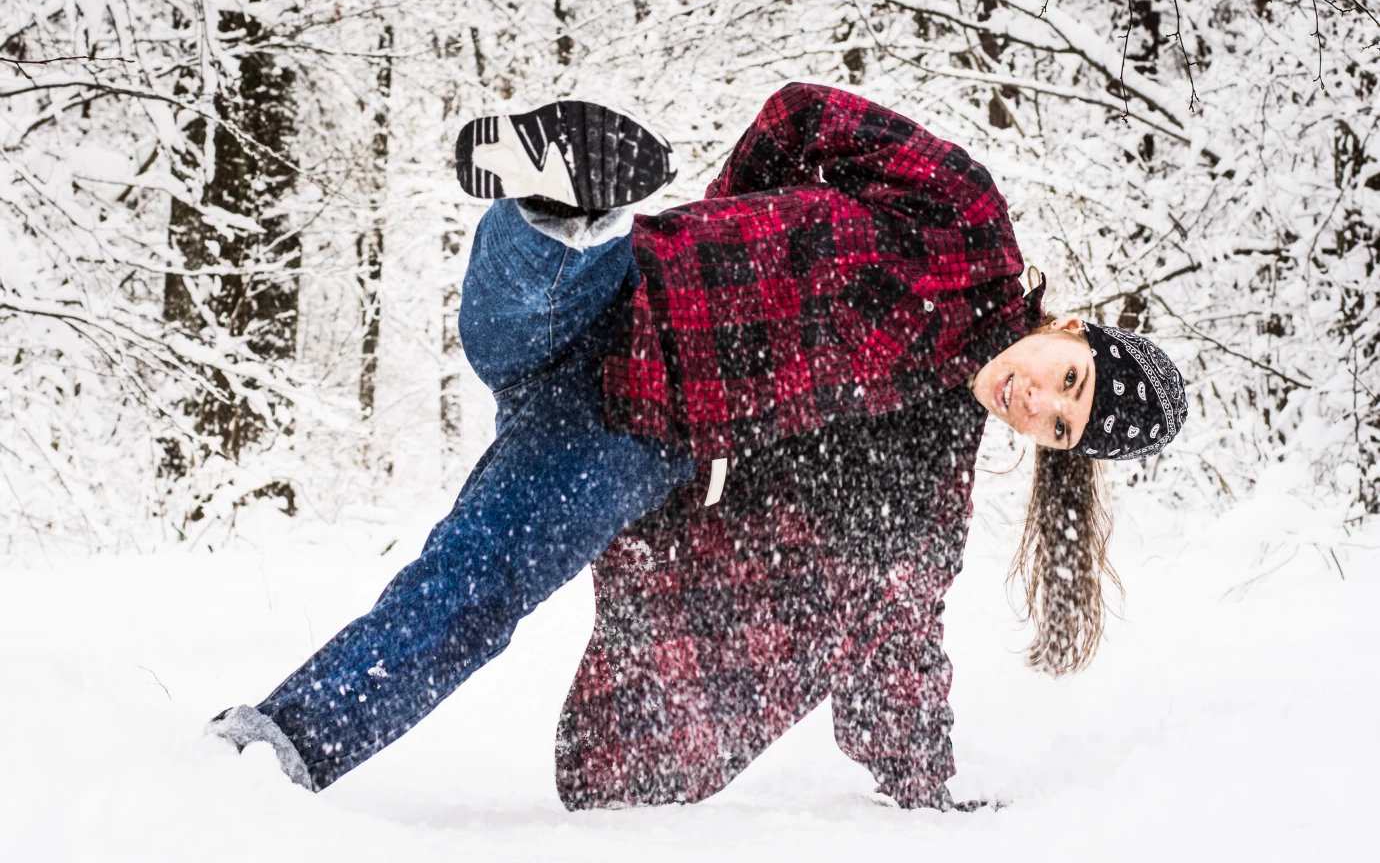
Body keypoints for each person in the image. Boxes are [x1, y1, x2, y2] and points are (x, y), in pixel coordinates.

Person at [207, 84, 1188, 810]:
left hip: (625, 436)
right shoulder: (962, 216)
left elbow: (898, 611)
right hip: (632, 291)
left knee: (476, 586)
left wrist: (924, 785)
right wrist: (720, 218)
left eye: (1060, 424)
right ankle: (568, 207)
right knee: (516, 312)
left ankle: (274, 747)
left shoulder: (928, 441)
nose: (1038, 401)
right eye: (1069, 379)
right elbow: (804, 115)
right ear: (1069, 332)